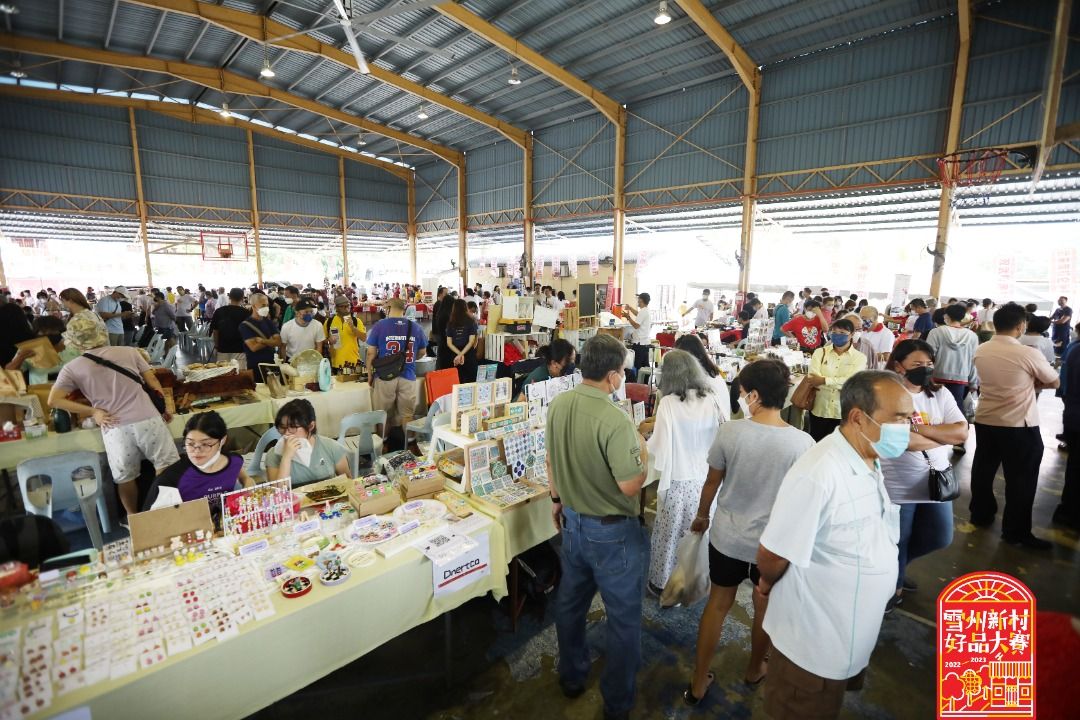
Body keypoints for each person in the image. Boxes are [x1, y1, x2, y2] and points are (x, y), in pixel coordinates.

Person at [757, 371, 912, 719]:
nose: (906, 427)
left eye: (908, 418)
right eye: (899, 419)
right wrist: (766, 585)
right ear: (858, 416)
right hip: (813, 645)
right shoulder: (820, 472)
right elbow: (774, 552)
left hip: (850, 632)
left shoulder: (866, 456)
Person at [684, 359, 814, 704]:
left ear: (753, 395)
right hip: (771, 547)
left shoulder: (731, 431)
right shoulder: (802, 444)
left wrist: (701, 516)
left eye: (742, 393)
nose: (740, 398)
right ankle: (756, 668)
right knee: (764, 607)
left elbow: (712, 481)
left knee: (717, 604)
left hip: (726, 538)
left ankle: (698, 681)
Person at [546, 333, 649, 720]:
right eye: (622, 371)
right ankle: (618, 702)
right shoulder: (615, 419)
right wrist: (643, 452)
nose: (622, 378)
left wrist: (557, 501)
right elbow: (630, 484)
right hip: (612, 534)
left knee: (570, 605)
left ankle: (571, 675)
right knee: (623, 620)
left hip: (572, 524)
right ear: (612, 375)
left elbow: (551, 461)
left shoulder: (558, 404)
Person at [47, 312, 178, 516]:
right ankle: (165, 511)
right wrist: (164, 407)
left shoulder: (71, 368)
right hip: (148, 419)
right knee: (165, 467)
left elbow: (54, 400)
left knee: (125, 477)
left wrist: (93, 411)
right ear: (102, 331)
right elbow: (152, 382)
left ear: (73, 339)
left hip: (113, 426)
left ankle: (133, 518)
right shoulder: (129, 352)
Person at [881, 340, 968, 612]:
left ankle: (899, 565)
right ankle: (890, 592)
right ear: (899, 365)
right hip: (898, 484)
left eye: (929, 364)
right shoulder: (886, 395)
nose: (926, 370)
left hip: (935, 481)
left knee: (939, 536)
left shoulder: (939, 394)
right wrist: (941, 435)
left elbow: (962, 433)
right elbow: (903, 442)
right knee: (900, 539)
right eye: (918, 365)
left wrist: (921, 433)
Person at [970, 303, 1059, 549]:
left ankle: (981, 514)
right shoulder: (1028, 353)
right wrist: (1031, 384)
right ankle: (1016, 532)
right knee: (1021, 479)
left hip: (986, 419)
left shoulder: (982, 349)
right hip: (1019, 424)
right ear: (1021, 326)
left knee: (983, 470)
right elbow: (1054, 381)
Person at [645, 350, 727, 594]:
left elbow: (658, 445)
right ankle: (695, 582)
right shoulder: (711, 398)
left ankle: (662, 584)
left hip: (678, 479)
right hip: (706, 478)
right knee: (699, 534)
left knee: (669, 535)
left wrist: (641, 443)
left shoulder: (669, 403)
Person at [145, 411, 253, 526]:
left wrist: (248, 484)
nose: (196, 451)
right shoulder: (172, 478)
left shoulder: (234, 461)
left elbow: (245, 478)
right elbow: (149, 522)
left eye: (206, 444)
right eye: (190, 444)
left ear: (222, 441)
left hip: (225, 524)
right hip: (190, 530)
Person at [365, 298, 428, 432]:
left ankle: (384, 444)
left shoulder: (379, 326)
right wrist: (407, 360)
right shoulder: (415, 327)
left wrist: (369, 375)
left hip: (384, 377)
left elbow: (371, 353)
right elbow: (422, 351)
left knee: (383, 415)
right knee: (407, 415)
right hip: (408, 375)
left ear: (388, 309)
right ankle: (409, 444)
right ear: (403, 310)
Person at [805, 318, 867, 441]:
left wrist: (824, 381)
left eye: (842, 333)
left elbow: (851, 382)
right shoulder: (820, 352)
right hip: (820, 408)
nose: (837, 336)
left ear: (852, 335)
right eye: (834, 332)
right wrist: (840, 384)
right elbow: (813, 377)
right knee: (816, 442)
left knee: (837, 445)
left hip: (842, 411)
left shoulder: (859, 358)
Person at [265, 399, 350, 486]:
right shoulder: (274, 454)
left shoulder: (331, 447)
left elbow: (348, 483)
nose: (286, 433)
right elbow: (278, 495)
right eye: (282, 427)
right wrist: (286, 458)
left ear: (310, 426)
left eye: (292, 427)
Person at [926, 303, 979, 408]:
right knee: (955, 408)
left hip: (937, 376)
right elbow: (973, 361)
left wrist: (925, 377)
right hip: (961, 377)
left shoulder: (936, 332)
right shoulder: (972, 336)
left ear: (946, 316)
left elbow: (928, 355)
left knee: (935, 407)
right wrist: (973, 382)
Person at [4, 315, 79, 385]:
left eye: (53, 331)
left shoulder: (73, 346)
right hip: (40, 392)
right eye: (43, 332)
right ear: (36, 333)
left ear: (61, 331)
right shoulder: (29, 348)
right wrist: (20, 358)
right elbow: (9, 372)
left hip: (71, 393)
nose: (48, 334)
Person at [1057, 323, 1080, 529]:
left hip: (1073, 415)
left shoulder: (1074, 348)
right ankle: (1070, 512)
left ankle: (1067, 510)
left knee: (1074, 468)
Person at [239, 292, 283, 382]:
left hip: (271, 364)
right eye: (263, 305)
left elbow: (278, 342)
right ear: (254, 306)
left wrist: (262, 340)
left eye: (267, 305)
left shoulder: (268, 322)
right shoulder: (245, 325)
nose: (266, 308)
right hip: (255, 366)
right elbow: (253, 347)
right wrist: (271, 340)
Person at [439, 299, 479, 383]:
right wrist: (462, 354)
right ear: (466, 308)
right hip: (469, 354)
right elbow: (471, 342)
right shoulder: (471, 321)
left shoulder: (450, 323)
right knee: (470, 380)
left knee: (457, 380)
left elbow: (449, 343)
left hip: (454, 355)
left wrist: (459, 354)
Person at [210, 288, 250, 368]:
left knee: (223, 374)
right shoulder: (246, 313)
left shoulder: (219, 311)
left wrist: (217, 346)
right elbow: (248, 332)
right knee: (239, 373)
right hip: (240, 348)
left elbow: (215, 331)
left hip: (223, 348)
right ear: (242, 298)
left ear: (229, 297)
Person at [326, 294, 367, 371]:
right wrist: (329, 341)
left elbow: (364, 338)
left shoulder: (356, 321)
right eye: (343, 307)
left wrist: (353, 328)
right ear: (337, 308)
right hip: (336, 363)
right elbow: (323, 341)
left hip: (354, 363)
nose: (347, 309)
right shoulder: (329, 322)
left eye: (348, 306)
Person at [622, 293, 652, 378]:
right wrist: (630, 308)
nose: (637, 301)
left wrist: (628, 317)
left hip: (639, 343)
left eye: (638, 299)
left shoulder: (643, 311)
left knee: (638, 366)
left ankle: (639, 385)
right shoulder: (645, 310)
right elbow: (638, 315)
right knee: (645, 365)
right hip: (644, 343)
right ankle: (646, 384)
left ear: (641, 300)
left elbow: (636, 325)